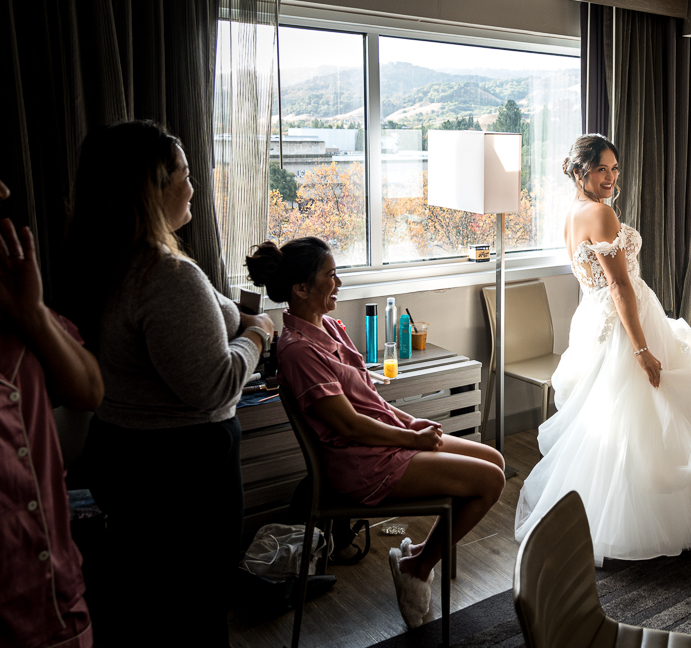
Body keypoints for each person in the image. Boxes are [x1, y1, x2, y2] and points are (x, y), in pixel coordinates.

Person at [514, 134, 691, 565]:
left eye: (615, 169)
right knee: (644, 414)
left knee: (611, 419)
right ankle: (647, 519)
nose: (611, 177)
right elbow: (619, 285)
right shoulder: (601, 212)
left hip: (594, 319)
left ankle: (594, 512)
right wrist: (641, 349)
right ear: (581, 172)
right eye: (601, 170)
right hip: (624, 324)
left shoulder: (573, 213)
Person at [67, 121, 273, 647]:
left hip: (122, 453)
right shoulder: (166, 276)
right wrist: (257, 337)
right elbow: (215, 385)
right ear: (153, 187)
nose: (194, 185)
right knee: (194, 609)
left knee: (143, 609)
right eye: (184, 173)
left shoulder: (107, 262)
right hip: (183, 472)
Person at [245, 237, 505, 629]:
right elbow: (348, 423)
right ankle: (417, 567)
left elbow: (370, 402)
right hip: (360, 463)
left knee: (495, 459)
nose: (339, 283)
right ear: (300, 289)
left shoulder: (330, 327)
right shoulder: (299, 351)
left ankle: (416, 554)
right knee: (490, 480)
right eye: (330, 276)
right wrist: (411, 440)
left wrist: (409, 422)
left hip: (380, 439)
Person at [0, 178, 104, 648]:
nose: (3, 191)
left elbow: (89, 390)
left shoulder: (16, 311)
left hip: (60, 598)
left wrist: (34, 313)